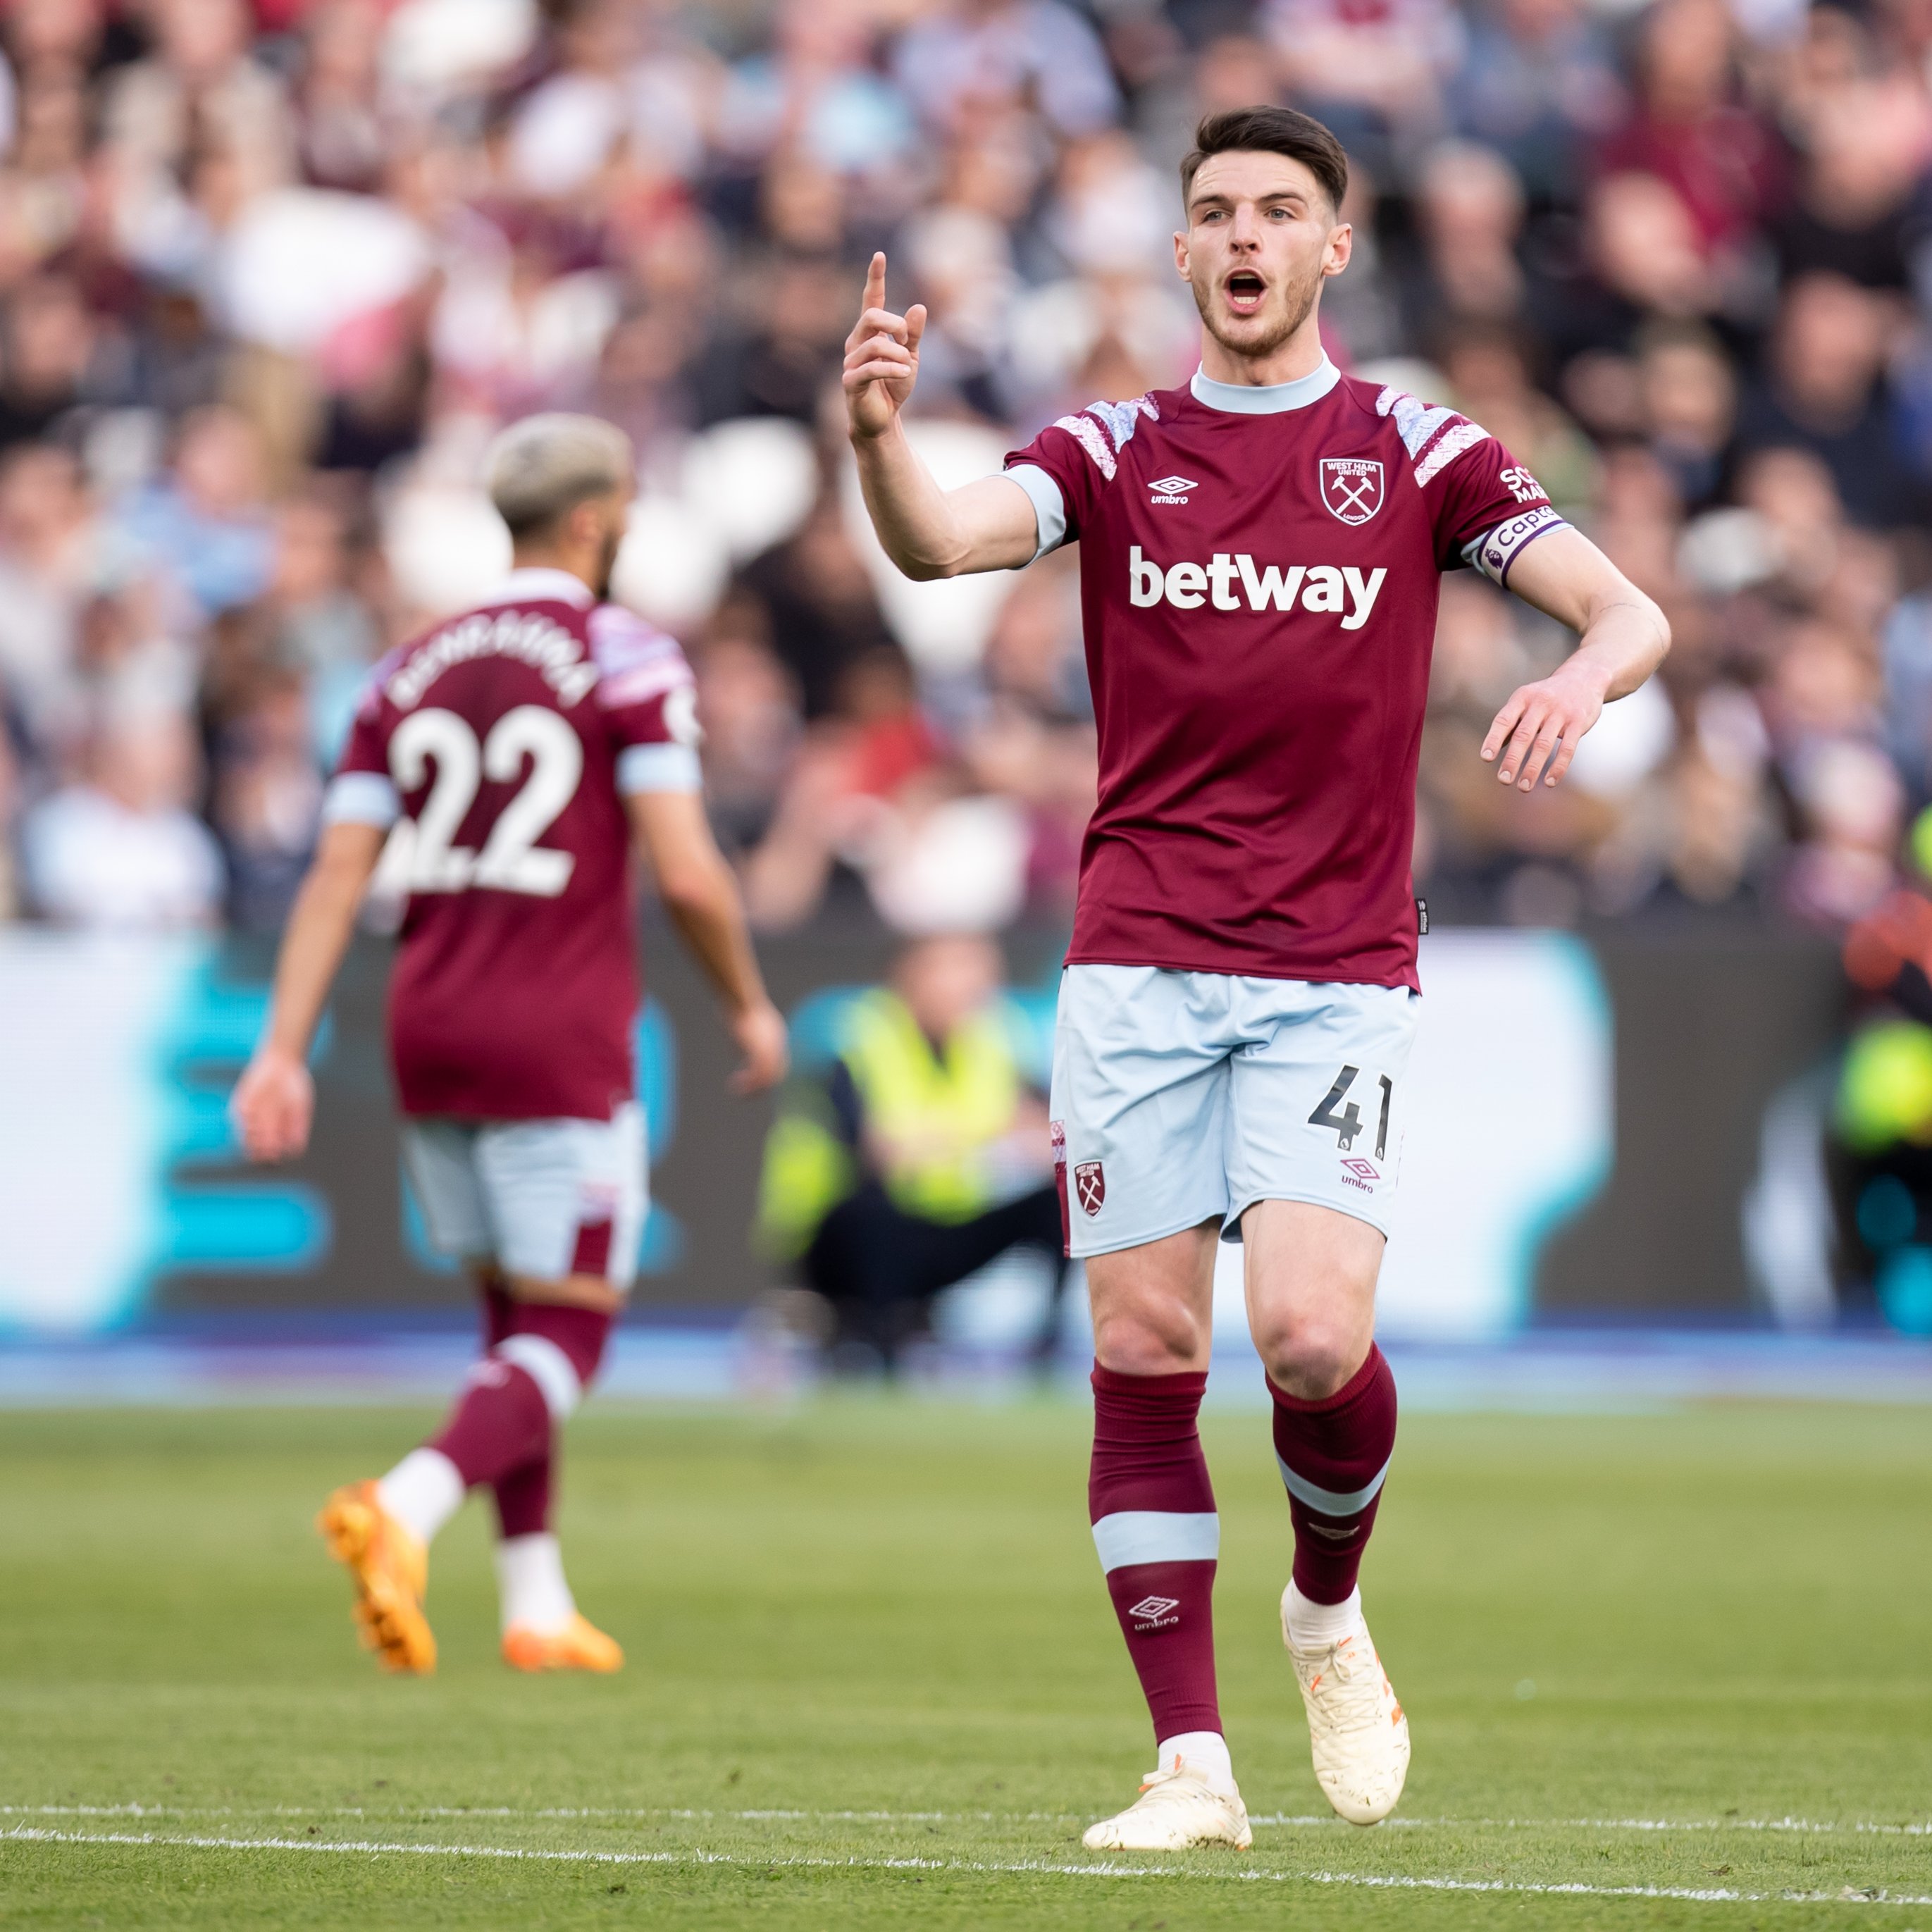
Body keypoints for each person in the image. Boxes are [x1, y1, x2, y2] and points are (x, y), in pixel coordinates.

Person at [842, 106, 1670, 1849]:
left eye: (1274, 211)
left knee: (1304, 1337)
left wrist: (1580, 675)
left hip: (1330, 964)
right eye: (1212, 210)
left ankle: (1321, 1605)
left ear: (1328, 249)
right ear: (1178, 251)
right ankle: (1188, 1764)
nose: (1240, 236)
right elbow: (936, 541)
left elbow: (1628, 612)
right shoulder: (1111, 444)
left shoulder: (1413, 446)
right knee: (1143, 1346)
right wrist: (873, 442)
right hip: (1135, 953)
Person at [230, 413, 788, 1676]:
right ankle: (406, 1506)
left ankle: (534, 1600)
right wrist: (747, 1000)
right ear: (595, 520)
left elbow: (335, 867)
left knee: (513, 1325)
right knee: (573, 1332)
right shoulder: (623, 650)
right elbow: (688, 867)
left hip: (427, 1023)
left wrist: (281, 1046)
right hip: (558, 1029)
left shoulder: (408, 664)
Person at [756, 931, 1063, 1369]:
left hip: (943, 1224)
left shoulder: (992, 1039)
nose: (972, 987)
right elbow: (878, 1153)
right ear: (909, 972)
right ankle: (873, 1337)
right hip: (838, 1239)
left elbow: (1050, 1133)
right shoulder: (851, 1035)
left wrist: (951, 1140)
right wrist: (990, 1131)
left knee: (1056, 1199)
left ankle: (1046, 1351)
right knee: (873, 1211)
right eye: (955, 968)